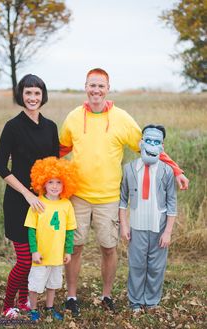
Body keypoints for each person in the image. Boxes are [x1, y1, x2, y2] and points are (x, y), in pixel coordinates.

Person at [59, 68, 188, 316]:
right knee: (75, 247)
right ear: (85, 87)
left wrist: (176, 170)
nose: (96, 90)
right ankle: (72, 296)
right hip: (78, 196)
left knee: (109, 248)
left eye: (101, 86)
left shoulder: (122, 118)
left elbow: (150, 146)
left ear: (108, 88)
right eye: (92, 85)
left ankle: (107, 295)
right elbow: (61, 148)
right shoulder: (73, 117)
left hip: (109, 198)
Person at [0, 74, 59, 319]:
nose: (32, 98)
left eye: (37, 93)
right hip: (17, 201)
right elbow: (1, 166)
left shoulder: (51, 126)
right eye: (28, 93)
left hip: (43, 203)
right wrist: (26, 193)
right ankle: (6, 306)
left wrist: (50, 198)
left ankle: (24, 301)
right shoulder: (12, 126)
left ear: (43, 96)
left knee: (34, 259)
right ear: (21, 95)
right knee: (24, 260)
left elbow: (54, 165)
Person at [119, 124, 177, 312]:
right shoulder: (129, 169)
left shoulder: (167, 171)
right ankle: (135, 301)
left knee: (155, 267)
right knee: (136, 265)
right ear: (141, 142)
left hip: (158, 227)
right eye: (148, 140)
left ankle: (151, 301)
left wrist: (167, 231)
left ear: (162, 145)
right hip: (137, 226)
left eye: (156, 141)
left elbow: (171, 204)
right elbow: (123, 200)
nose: (151, 144)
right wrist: (124, 225)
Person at [24, 156, 78, 321]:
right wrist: (34, 251)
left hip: (57, 256)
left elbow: (69, 231)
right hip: (40, 256)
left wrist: (68, 251)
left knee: (53, 285)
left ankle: (49, 307)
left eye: (59, 182)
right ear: (42, 183)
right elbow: (31, 230)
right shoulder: (37, 203)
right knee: (35, 285)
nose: (54, 186)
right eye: (50, 182)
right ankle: (32, 309)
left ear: (65, 184)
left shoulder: (66, 205)